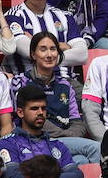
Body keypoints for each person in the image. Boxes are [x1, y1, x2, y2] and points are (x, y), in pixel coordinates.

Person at [13, 29, 98, 165]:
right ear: (33, 54)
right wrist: (64, 136)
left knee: (81, 161)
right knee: (95, 148)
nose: (49, 55)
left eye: (53, 49)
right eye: (43, 49)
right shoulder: (21, 82)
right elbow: (30, 120)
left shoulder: (65, 85)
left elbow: (77, 121)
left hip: (64, 141)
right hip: (35, 141)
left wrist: (68, 136)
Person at [6, 0, 88, 77]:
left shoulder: (65, 16)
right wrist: (61, 46)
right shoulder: (13, 16)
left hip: (66, 82)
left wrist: (38, 45)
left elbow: (82, 54)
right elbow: (26, 50)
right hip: (30, 83)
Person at [0, 86, 85, 178]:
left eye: (43, 108)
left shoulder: (57, 144)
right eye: (34, 108)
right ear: (20, 112)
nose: (40, 112)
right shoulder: (9, 143)